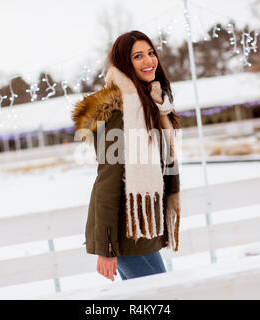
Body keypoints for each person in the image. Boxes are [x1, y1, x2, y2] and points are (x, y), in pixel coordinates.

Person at [71, 30, 181, 282]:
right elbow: (107, 181)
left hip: (141, 226)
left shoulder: (153, 104)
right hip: (125, 231)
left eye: (151, 53)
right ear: (124, 64)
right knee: (160, 294)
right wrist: (107, 248)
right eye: (138, 56)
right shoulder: (121, 111)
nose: (148, 61)